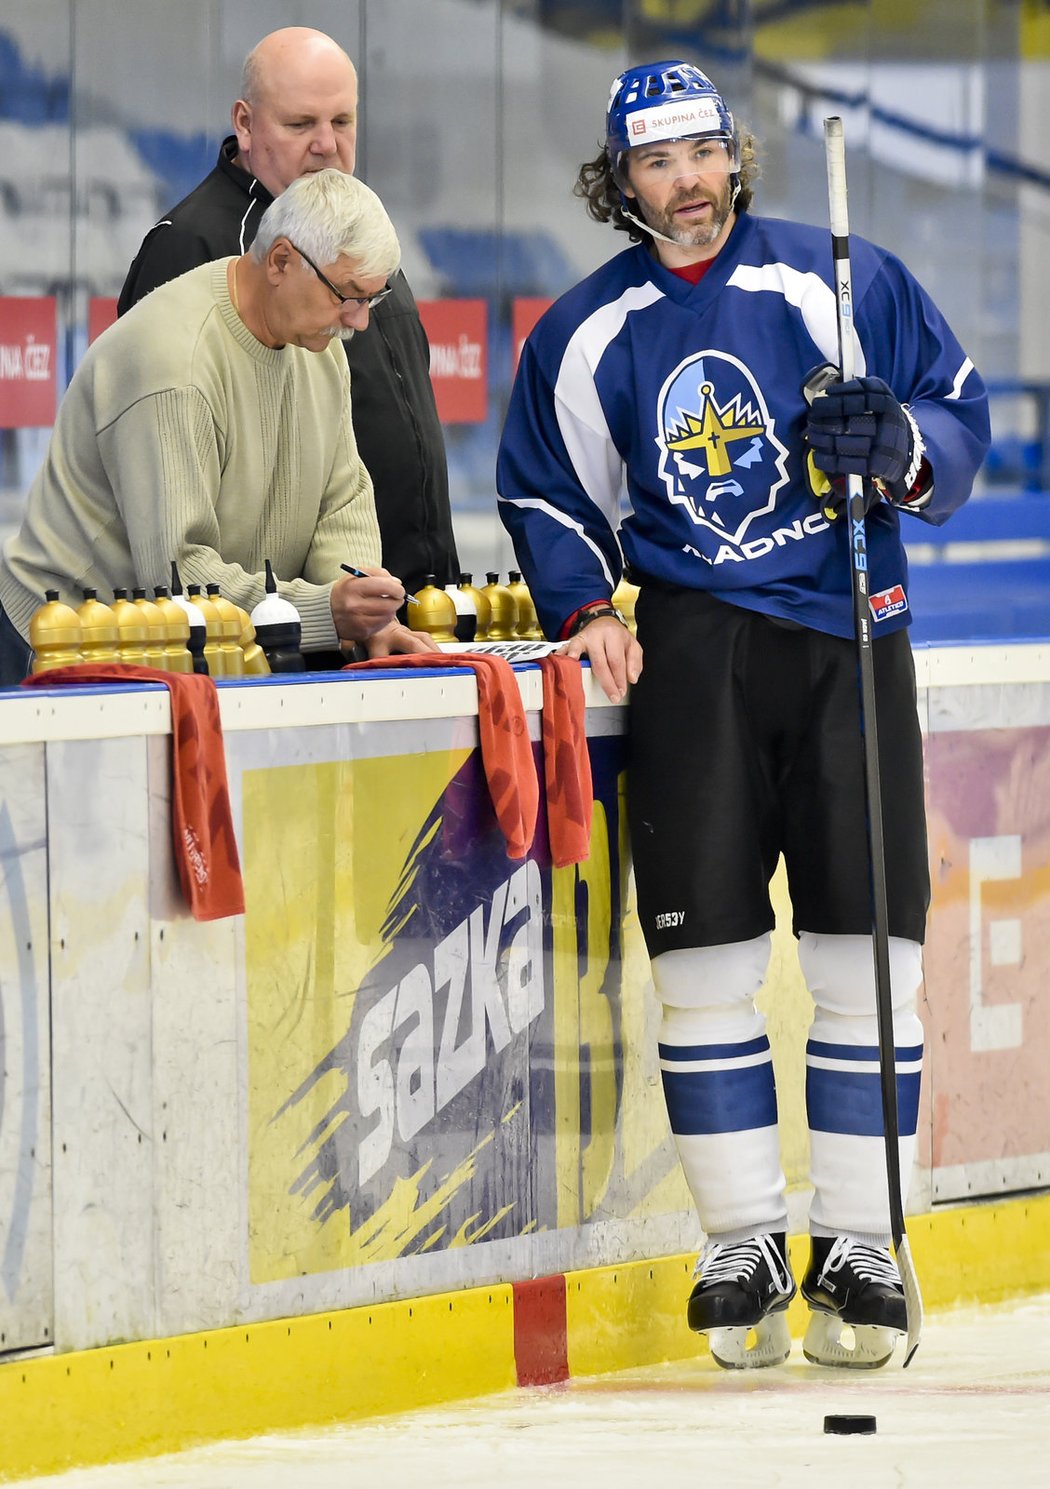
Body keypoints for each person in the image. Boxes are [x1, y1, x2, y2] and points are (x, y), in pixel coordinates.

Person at [496, 61, 990, 1370]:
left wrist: (896, 444)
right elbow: (544, 489)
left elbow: (956, 409)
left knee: (862, 964)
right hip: (693, 656)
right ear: (621, 183)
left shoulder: (840, 282)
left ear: (736, 158)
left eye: (705, 155)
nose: (689, 183)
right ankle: (739, 1238)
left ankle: (860, 1243)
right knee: (704, 971)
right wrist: (579, 607)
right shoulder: (586, 331)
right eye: (658, 164)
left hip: (848, 633)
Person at [0, 169, 437, 686]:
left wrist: (365, 611)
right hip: (66, 642)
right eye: (348, 295)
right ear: (280, 261)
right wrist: (324, 612)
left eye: (371, 299)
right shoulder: (172, 363)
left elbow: (341, 498)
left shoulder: (319, 344)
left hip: (194, 641)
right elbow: (179, 577)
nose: (358, 321)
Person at [118, 25, 459, 599]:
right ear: (245, 124)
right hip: (274, 627)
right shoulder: (190, 246)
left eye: (342, 122)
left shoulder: (361, 234)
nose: (326, 144)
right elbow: (167, 489)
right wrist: (312, 608)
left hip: (389, 601)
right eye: (301, 124)